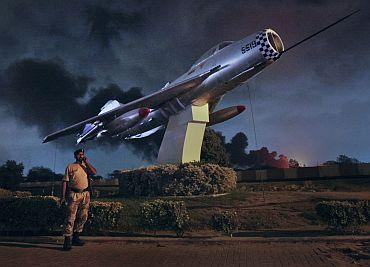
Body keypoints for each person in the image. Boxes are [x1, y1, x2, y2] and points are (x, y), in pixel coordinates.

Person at [60, 148, 97, 251]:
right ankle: (67, 240)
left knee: (83, 216)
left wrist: (87, 162)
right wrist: (62, 197)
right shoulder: (70, 167)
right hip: (74, 194)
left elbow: (94, 172)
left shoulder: (86, 166)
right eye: (79, 154)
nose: (81, 156)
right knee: (70, 217)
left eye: (82, 154)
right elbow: (65, 182)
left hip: (85, 194)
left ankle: (76, 237)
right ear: (75, 156)